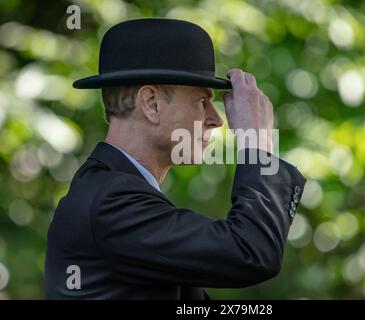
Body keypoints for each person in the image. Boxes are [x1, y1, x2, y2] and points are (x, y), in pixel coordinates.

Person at [45, 18, 306, 299]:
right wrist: (258, 144)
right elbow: (251, 253)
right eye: (201, 100)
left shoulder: (111, 192)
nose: (215, 119)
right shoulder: (112, 201)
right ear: (152, 104)